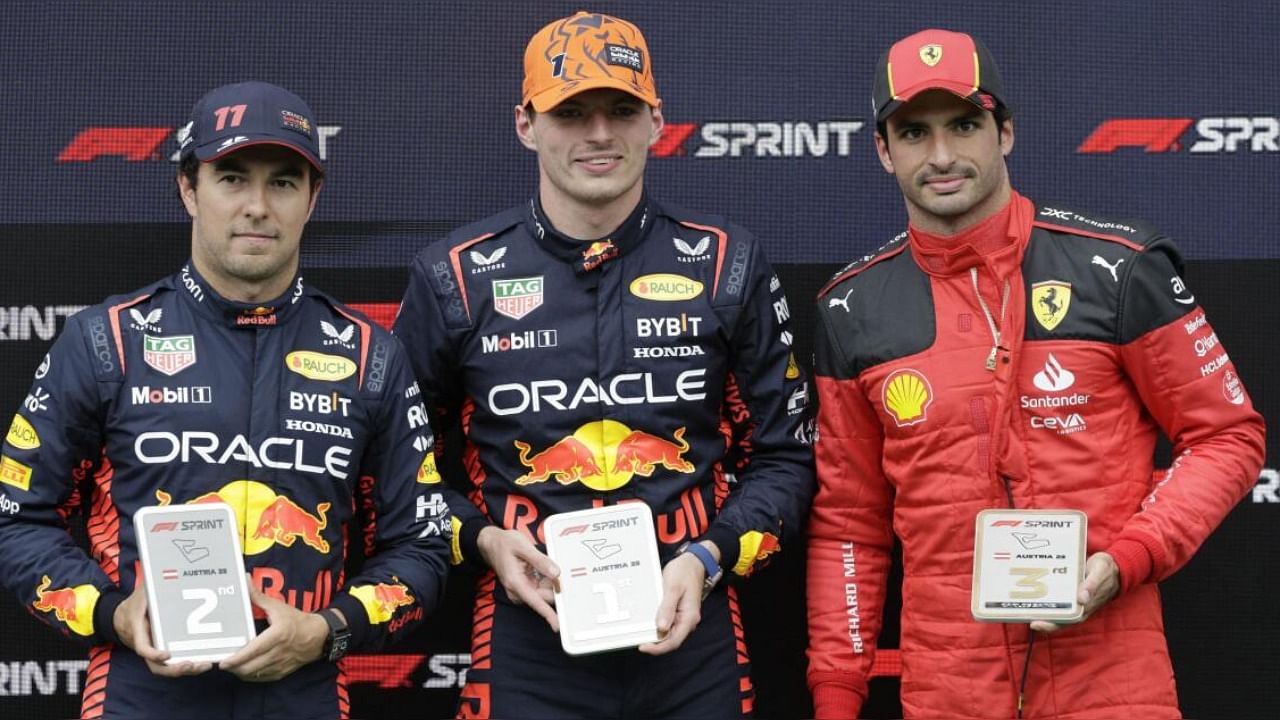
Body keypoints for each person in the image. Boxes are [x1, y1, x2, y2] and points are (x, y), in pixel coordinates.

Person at [805, 28, 1266, 720]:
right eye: (913, 133)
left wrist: (1128, 558)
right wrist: (837, 697)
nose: (941, 155)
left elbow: (1228, 436)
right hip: (948, 689)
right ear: (882, 150)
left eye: (964, 125)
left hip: (1113, 680)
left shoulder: (1117, 270)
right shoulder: (852, 309)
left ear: (1006, 132)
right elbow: (849, 526)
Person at [393, 11, 815, 719]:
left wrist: (708, 559)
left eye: (620, 109)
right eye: (570, 112)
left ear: (655, 121)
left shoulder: (724, 265)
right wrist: (484, 541)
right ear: (526, 124)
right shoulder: (456, 277)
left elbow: (787, 459)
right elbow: (401, 473)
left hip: (692, 621)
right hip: (529, 633)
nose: (597, 133)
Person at [0, 81, 452, 720]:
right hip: (141, 695)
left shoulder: (370, 357)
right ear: (189, 189)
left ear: (312, 198)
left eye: (285, 183)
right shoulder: (107, 341)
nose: (258, 207)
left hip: (306, 694)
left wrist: (327, 630)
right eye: (233, 178)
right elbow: (17, 518)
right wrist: (113, 613)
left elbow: (423, 544)